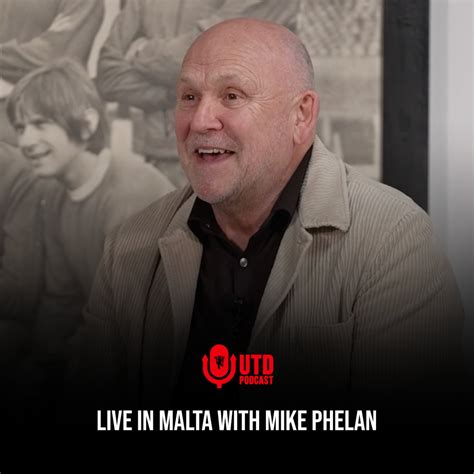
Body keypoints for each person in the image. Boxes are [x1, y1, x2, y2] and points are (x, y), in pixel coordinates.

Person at [69, 19, 465, 423]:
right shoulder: (130, 246)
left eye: (232, 95)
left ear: (301, 115)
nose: (200, 120)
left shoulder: (395, 242)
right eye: (189, 96)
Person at [6, 58, 175, 424]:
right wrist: (35, 373)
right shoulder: (54, 195)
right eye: (20, 128)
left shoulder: (132, 194)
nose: (26, 141)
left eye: (40, 124)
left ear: (86, 124)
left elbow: (129, 327)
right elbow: (61, 301)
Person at [96, 0, 300, 186]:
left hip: (245, 158)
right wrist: (177, 94)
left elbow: (213, 55)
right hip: (161, 163)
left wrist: (141, 52)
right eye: (188, 97)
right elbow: (107, 76)